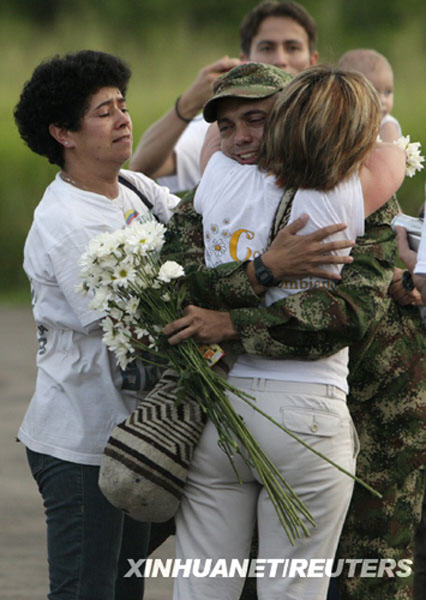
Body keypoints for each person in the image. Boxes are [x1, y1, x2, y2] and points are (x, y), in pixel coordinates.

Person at [165, 64, 405, 600]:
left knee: (202, 587)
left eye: (256, 118)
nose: (241, 137)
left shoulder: (213, 184)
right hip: (304, 414)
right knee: (292, 589)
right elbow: (347, 314)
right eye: (227, 126)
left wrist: (229, 318)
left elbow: (181, 287)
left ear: (291, 113)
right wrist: (263, 270)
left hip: (221, 408)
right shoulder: (356, 191)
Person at [13, 50, 180, 600]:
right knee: (86, 590)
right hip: (81, 444)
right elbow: (131, 327)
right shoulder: (63, 220)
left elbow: (195, 239)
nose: (123, 119)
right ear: (62, 132)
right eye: (104, 111)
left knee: (126, 589)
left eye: (123, 105)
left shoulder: (133, 188)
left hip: (135, 440)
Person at [130, 0, 318, 192]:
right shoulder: (223, 125)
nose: (280, 60)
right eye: (267, 48)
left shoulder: (333, 121)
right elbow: (142, 168)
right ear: (245, 60)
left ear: (313, 61)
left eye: (292, 48)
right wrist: (189, 103)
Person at [338, 48, 402, 143]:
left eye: (388, 92)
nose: (383, 100)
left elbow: (390, 157)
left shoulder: (386, 126)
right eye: (374, 92)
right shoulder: (346, 123)